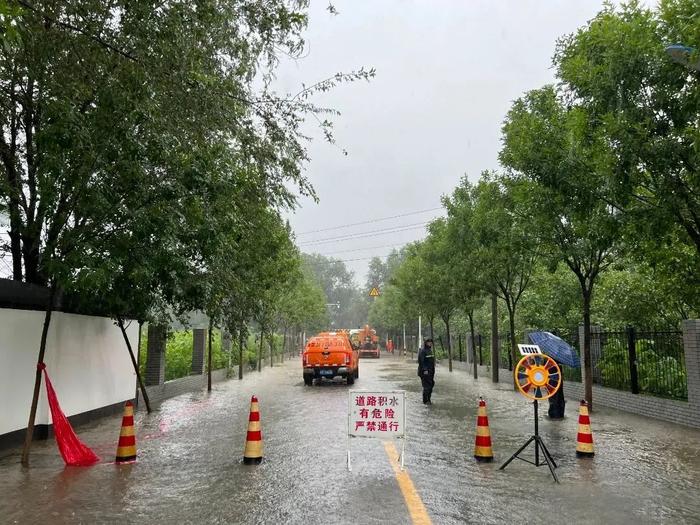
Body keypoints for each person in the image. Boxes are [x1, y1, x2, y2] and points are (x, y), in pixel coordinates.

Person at [417, 338, 435, 405]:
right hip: (424, 372)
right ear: (426, 343)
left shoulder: (429, 350)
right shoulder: (423, 351)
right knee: (427, 386)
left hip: (430, 372)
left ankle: (428, 399)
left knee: (431, 384)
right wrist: (425, 370)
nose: (430, 343)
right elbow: (421, 362)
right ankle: (425, 401)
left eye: (431, 342)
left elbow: (431, 361)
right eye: (428, 342)